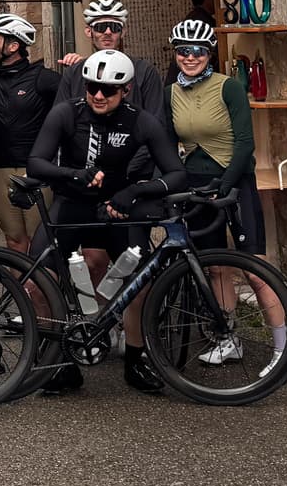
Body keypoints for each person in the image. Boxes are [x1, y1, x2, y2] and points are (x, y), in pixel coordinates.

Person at [28, 49, 188, 395]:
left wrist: (134, 191)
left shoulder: (140, 121)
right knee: (38, 282)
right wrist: (73, 174)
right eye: (91, 87)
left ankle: (135, 359)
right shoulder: (66, 114)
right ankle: (58, 360)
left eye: (108, 90)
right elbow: (36, 164)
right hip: (70, 207)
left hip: (115, 210)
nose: (98, 95)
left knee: (140, 281)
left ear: (126, 90)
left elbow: (176, 174)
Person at [164, 19, 285, 366]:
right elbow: (167, 140)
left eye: (198, 51)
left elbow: (245, 143)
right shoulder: (170, 91)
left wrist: (226, 185)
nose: (190, 57)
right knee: (215, 266)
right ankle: (228, 338)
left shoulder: (228, 87)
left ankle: (282, 345)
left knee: (253, 266)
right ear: (176, 54)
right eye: (183, 51)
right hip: (195, 184)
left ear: (209, 53)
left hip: (235, 182)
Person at [0, 12, 61, 257]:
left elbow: (70, 114)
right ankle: (21, 296)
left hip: (37, 171)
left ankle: (45, 296)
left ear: (13, 45)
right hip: (1, 170)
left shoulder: (44, 79)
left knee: (40, 244)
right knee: (14, 242)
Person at [54, 0, 166, 119]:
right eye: (100, 27)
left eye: (114, 27)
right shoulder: (73, 73)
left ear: (123, 32)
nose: (107, 32)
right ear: (88, 31)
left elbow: (157, 122)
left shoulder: (144, 71)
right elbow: (60, 122)